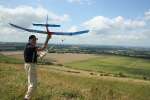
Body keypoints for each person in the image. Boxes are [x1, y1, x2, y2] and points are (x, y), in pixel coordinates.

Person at [24, 34, 51, 100]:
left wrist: (41, 55)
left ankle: (28, 97)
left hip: (27, 65)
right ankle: (26, 98)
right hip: (31, 66)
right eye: (33, 40)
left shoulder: (28, 46)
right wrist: (47, 38)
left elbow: (34, 55)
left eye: (35, 40)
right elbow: (43, 48)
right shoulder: (31, 47)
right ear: (29, 40)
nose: (35, 41)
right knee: (34, 84)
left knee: (30, 83)